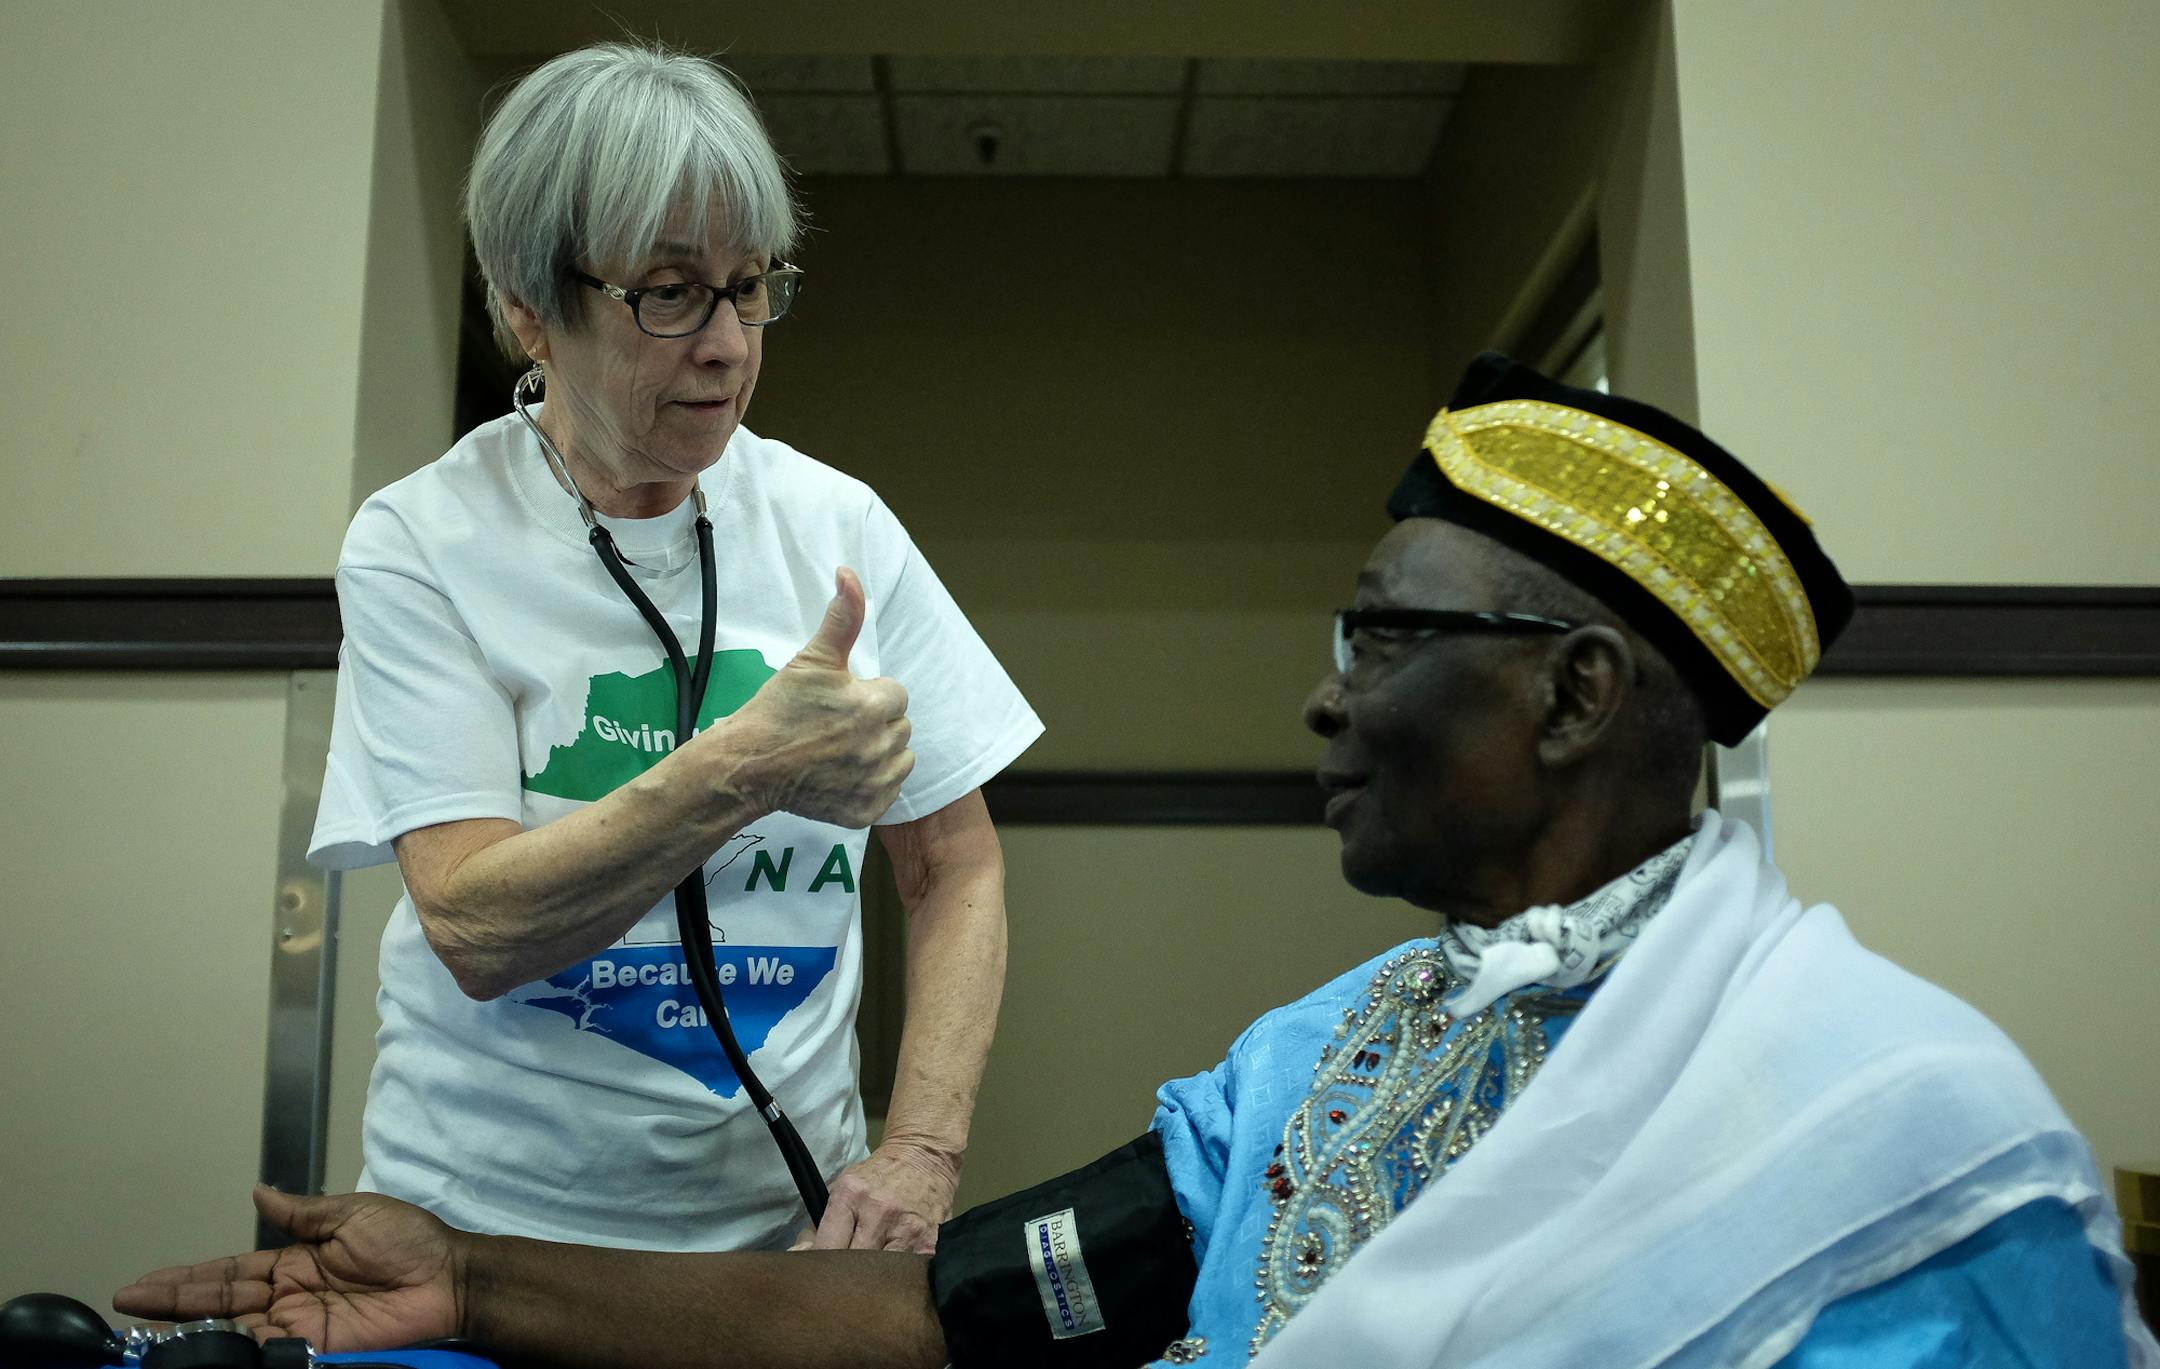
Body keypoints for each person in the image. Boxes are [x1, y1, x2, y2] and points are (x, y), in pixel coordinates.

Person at [122, 356, 2155, 1366]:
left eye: (1381, 640)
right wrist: (470, 1276)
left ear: (1574, 692)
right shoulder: (1327, 1065)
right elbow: (942, 1321)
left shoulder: (1913, 1134)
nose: (1324, 704)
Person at [305, 41, 1041, 1257]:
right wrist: (746, 765)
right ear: (528, 307)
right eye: (668, 291)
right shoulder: (422, 540)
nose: (730, 343)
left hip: (778, 1243)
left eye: (750, 285)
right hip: (480, 1241)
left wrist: (917, 1151)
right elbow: (478, 928)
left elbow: (953, 869)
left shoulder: (836, 525)